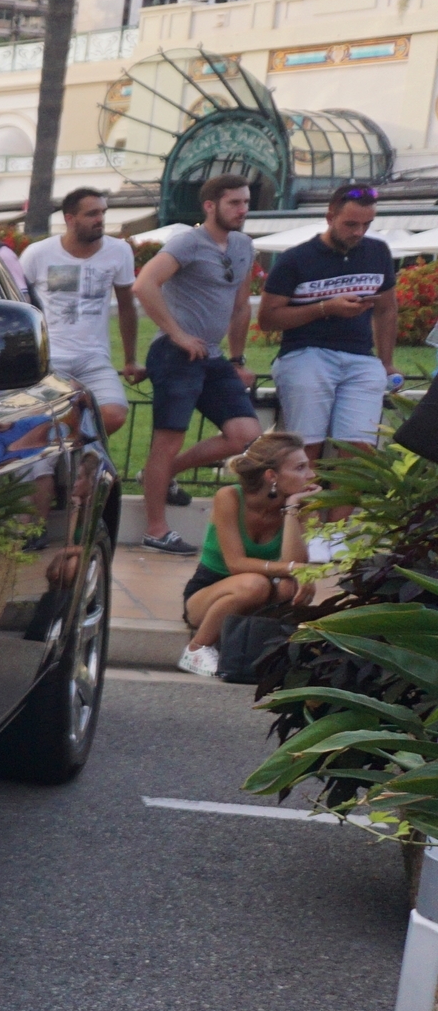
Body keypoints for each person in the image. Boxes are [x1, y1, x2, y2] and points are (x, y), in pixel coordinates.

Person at [132, 172, 261, 554]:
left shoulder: (243, 245)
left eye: (246, 202)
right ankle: (156, 529)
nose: (242, 210)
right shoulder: (187, 242)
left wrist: (237, 358)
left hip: (214, 357)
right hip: (175, 354)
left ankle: (162, 475)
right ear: (210, 206)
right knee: (167, 440)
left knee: (245, 433)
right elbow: (144, 285)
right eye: (234, 203)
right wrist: (176, 333)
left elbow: (240, 307)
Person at [260, 185, 398, 459]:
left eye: (366, 224)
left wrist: (386, 362)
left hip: (360, 357)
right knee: (306, 448)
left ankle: (339, 502)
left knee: (359, 450)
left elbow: (387, 309)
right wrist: (325, 308)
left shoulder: (377, 251)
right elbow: (268, 319)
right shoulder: (295, 259)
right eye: (350, 224)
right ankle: (300, 502)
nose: (358, 232)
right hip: (305, 352)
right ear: (329, 217)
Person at [179, 432, 317, 677]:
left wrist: (293, 509)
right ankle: (196, 648)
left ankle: (263, 649)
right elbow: (236, 564)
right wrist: (294, 569)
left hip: (258, 592)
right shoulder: (230, 497)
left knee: (288, 587)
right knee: (255, 584)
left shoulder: (300, 504)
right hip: (209, 594)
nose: (311, 475)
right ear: (271, 476)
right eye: (300, 468)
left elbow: (292, 563)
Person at [17, 187, 136, 436]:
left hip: (94, 357)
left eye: (103, 212)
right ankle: (53, 465)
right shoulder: (38, 254)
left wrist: (130, 359)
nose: (100, 219)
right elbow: (17, 306)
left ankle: (71, 457)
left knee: (114, 414)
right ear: (70, 219)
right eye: (92, 214)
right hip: (50, 358)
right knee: (42, 418)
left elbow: (127, 306)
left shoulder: (119, 251)